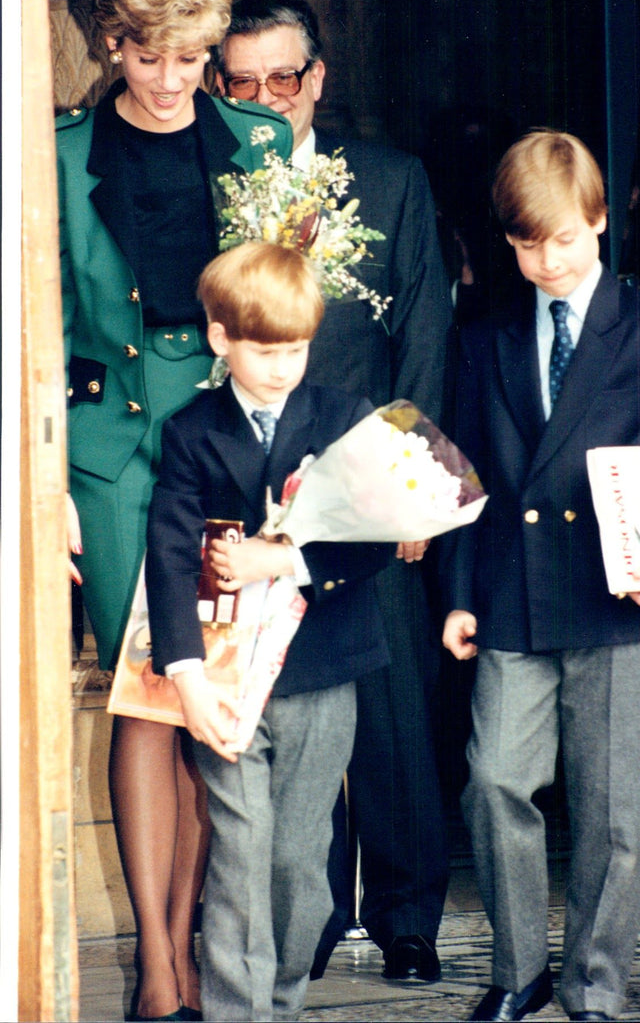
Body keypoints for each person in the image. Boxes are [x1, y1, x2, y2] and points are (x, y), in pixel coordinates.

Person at [440, 129, 640, 1022]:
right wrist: (457, 596)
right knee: (494, 780)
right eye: (528, 243)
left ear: (600, 222)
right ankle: (518, 969)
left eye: (565, 239)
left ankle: (595, 984)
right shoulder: (484, 338)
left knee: (613, 814)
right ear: (507, 240)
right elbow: (462, 478)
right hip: (513, 600)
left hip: (623, 601)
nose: (548, 260)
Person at [56, 0, 292, 1021]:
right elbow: (31, 325)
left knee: (211, 694)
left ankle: (195, 947)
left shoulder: (258, 145)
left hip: (224, 450)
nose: (171, 78)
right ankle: (157, 963)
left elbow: (292, 316)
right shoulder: (55, 156)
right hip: (107, 454)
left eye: (191, 55)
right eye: (148, 55)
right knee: (146, 698)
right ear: (111, 44)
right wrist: (44, 477)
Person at [214, 0, 453, 980]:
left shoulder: (390, 183)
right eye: (243, 82)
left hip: (366, 487)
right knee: (281, 706)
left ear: (316, 78)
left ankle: (405, 920)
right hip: (252, 487)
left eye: (283, 77)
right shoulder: (210, 180)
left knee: (391, 705)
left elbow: (425, 337)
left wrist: (410, 495)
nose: (265, 98)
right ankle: (300, 919)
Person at [144, 241, 395, 1021]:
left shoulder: (346, 416)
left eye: (297, 349)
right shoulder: (190, 431)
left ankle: (281, 1001)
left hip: (324, 669)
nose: (284, 366)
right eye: (265, 350)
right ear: (221, 339)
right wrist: (183, 677)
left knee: (295, 860)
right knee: (241, 857)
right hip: (222, 681)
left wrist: (281, 559)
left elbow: (379, 534)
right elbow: (169, 550)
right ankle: (234, 1011)